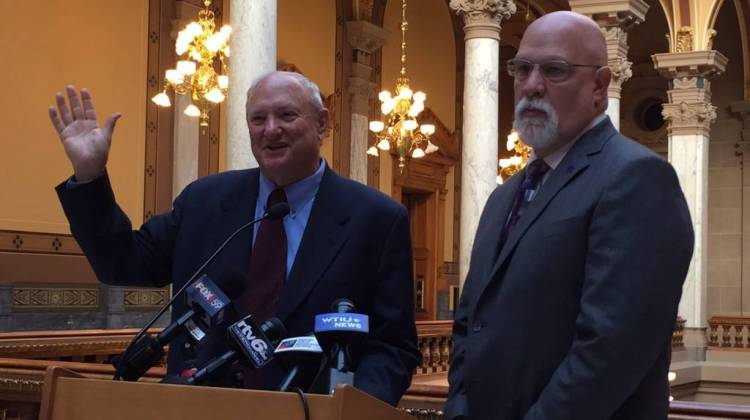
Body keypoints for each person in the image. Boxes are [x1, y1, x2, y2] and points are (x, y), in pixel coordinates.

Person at [49, 71, 420, 405]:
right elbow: (123, 263)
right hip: (199, 409)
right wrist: (89, 179)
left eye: (287, 115)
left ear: (322, 124)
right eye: (258, 119)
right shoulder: (205, 201)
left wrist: (352, 412)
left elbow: (393, 347)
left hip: (309, 414)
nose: (270, 129)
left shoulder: (376, 218)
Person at [444, 11, 694, 420]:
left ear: (599, 86)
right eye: (521, 69)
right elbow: (470, 323)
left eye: (554, 71)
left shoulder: (636, 178)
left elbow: (610, 351)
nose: (532, 85)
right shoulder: (503, 196)